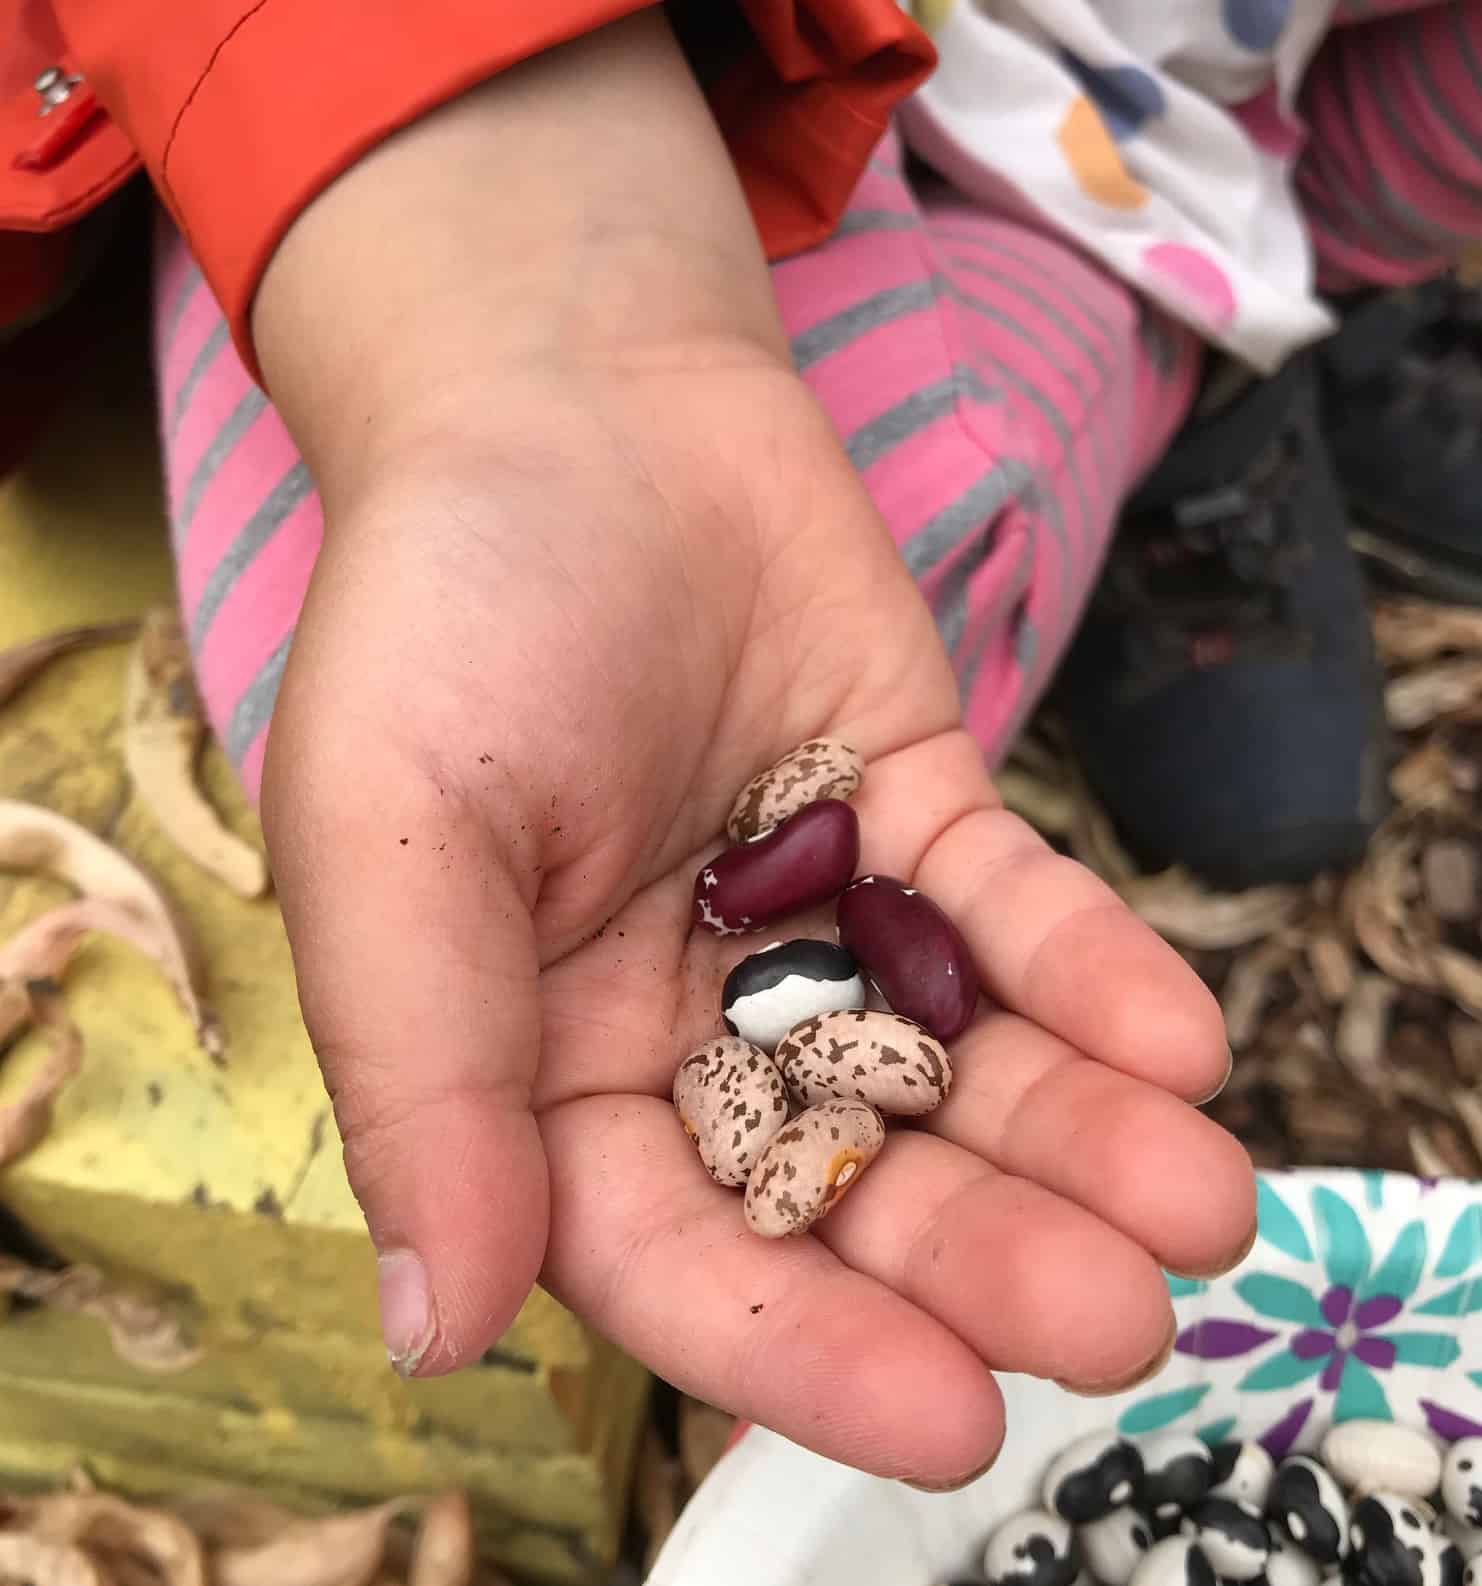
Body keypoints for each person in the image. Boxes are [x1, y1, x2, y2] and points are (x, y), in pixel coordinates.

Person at [3, 0, 1464, 1490]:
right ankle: (1184, 331)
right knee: (456, 679)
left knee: (956, 526)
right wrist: (512, 327)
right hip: (527, 95)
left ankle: (1245, 330)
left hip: (1179, 116)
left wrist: (1255, 248)